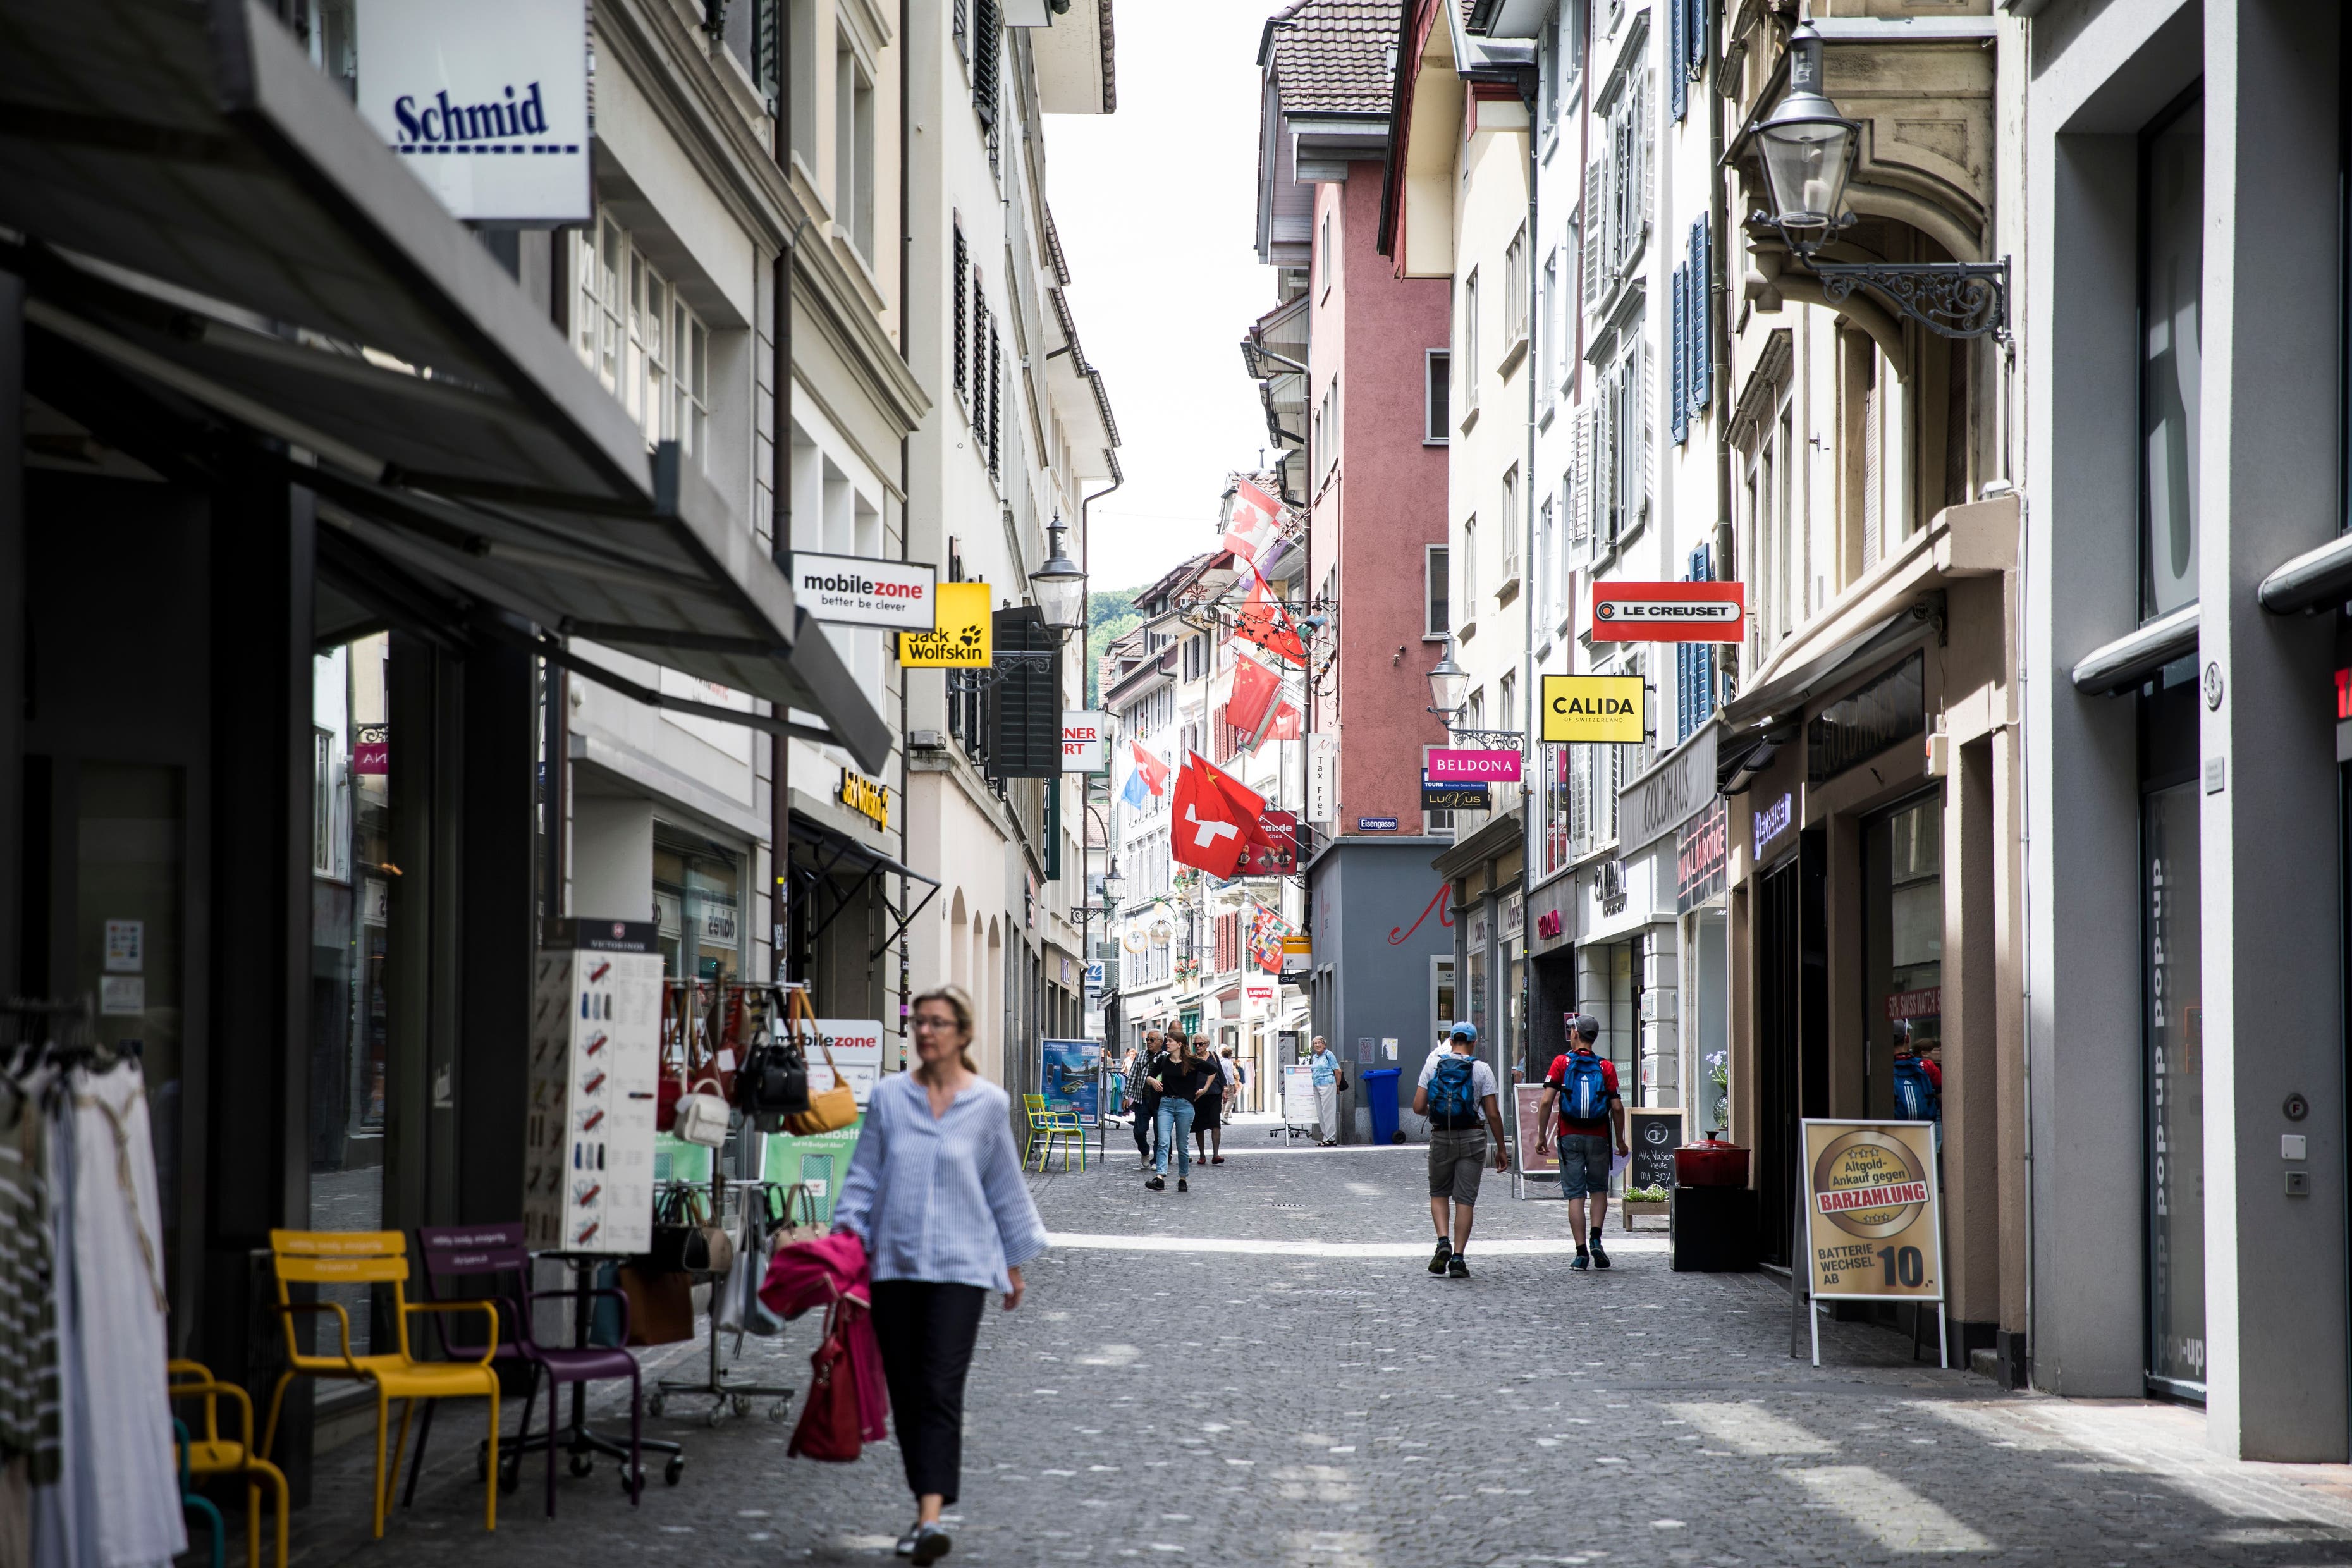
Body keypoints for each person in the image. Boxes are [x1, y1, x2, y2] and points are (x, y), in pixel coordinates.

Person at [830, 985, 1046, 1566]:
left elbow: (1004, 1188)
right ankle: (922, 1502)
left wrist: (1014, 1263)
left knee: (941, 1388)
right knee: (906, 1389)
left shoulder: (989, 1105)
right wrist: (845, 1243)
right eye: (919, 1022)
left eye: (938, 1023)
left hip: (962, 1269)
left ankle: (930, 1520)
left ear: (962, 1034)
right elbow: (862, 1181)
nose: (925, 1032)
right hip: (893, 1268)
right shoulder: (890, 1098)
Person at [1412, 1022, 1511, 1278]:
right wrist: (1501, 1148)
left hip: (1441, 1136)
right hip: (1473, 1136)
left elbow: (1418, 1106)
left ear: (1450, 1040)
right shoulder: (1482, 1069)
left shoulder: (1434, 1065)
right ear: (1474, 1043)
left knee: (1439, 1192)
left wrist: (1437, 1113)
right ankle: (1458, 1258)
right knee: (1465, 1199)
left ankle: (1442, 1241)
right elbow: (1492, 1114)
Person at [1536, 1014, 1629, 1271]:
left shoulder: (1561, 1062)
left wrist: (1541, 1135)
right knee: (1598, 1190)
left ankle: (1581, 1253)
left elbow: (1546, 1101)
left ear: (1576, 1034)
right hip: (1599, 1137)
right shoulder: (1606, 1067)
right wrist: (1620, 1139)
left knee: (1575, 1195)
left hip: (1570, 1136)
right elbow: (1618, 1107)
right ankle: (1597, 1239)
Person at [1146, 1033, 1201, 1192]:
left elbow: (1213, 1070)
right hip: (1166, 1105)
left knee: (1182, 1144)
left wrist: (1203, 1090)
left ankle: (1183, 1178)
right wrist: (1153, 1081)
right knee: (1163, 1140)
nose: (1166, 1044)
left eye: (1170, 1041)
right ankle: (1160, 1177)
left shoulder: (1191, 1062)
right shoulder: (1164, 1060)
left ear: (1179, 1045)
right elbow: (1149, 1076)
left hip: (1185, 1106)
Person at [1125, 1033, 1160, 1169]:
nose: (1149, 1042)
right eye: (1147, 1039)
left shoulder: (1165, 1057)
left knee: (1160, 1132)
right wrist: (1126, 1097)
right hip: (1142, 1099)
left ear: (1160, 1042)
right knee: (1139, 1131)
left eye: (1152, 1040)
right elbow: (1132, 1076)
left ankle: (1157, 1160)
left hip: (1159, 1101)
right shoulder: (1140, 1056)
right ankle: (1145, 1151)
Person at [1192, 1038, 1227, 1166]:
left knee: (1215, 1124)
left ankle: (1216, 1155)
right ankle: (1202, 1155)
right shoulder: (1193, 1058)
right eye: (1195, 1044)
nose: (1198, 1046)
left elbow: (1220, 1072)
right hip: (1198, 1095)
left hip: (1214, 1093)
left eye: (1200, 1044)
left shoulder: (1213, 1055)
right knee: (1199, 1126)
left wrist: (1224, 1088)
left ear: (1207, 1044)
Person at [1309, 1035, 1343, 1146]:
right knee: (1320, 1113)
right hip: (1317, 1086)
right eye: (1315, 1043)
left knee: (1328, 1112)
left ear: (1324, 1044)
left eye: (1319, 1043)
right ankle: (1326, 1137)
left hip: (1328, 1085)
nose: (1317, 1045)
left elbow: (1338, 1071)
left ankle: (1331, 1138)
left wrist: (1337, 1086)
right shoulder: (1315, 1057)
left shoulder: (1329, 1055)